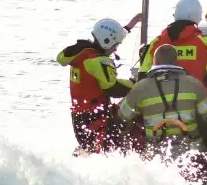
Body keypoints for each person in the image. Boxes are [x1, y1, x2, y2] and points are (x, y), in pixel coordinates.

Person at [119, 44, 207, 181]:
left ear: (156, 62)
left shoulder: (141, 87)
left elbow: (123, 116)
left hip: (156, 152)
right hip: (191, 149)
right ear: (175, 61)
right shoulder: (193, 84)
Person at [56, 14, 142, 155]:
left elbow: (110, 38)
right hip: (95, 118)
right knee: (119, 139)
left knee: (91, 149)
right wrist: (135, 83)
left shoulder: (81, 53)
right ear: (107, 42)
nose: (115, 49)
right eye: (115, 46)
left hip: (79, 118)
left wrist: (130, 26)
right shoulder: (97, 62)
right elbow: (113, 88)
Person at [138, 0, 207, 94]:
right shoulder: (205, 42)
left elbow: (143, 77)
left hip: (159, 104)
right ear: (198, 17)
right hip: (195, 103)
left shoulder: (156, 42)